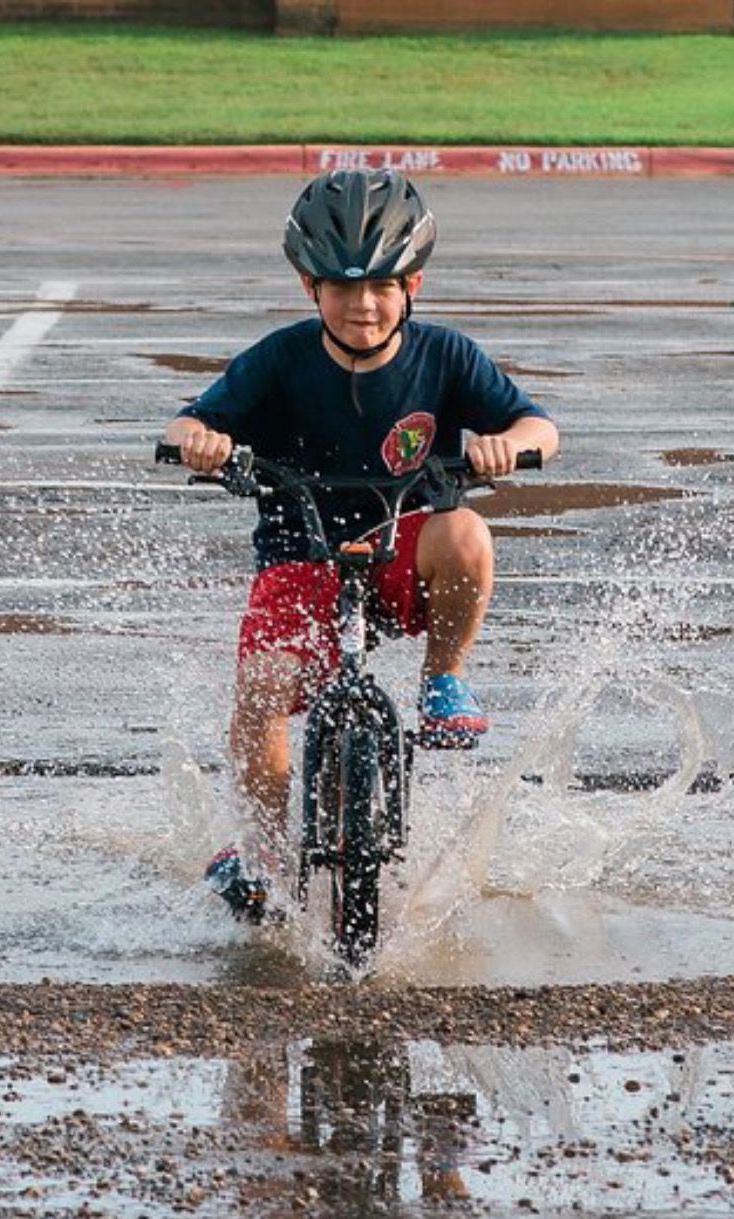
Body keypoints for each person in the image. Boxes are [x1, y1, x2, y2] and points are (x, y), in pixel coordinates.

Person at [163, 169, 560, 918]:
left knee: (466, 530)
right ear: (309, 287)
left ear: (413, 285)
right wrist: (200, 442)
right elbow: (189, 421)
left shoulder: (446, 356)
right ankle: (260, 847)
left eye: (382, 285)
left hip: (404, 548)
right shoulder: (279, 359)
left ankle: (444, 680)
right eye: (343, 288)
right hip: (300, 555)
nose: (363, 304)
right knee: (262, 688)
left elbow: (541, 427)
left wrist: (509, 446)